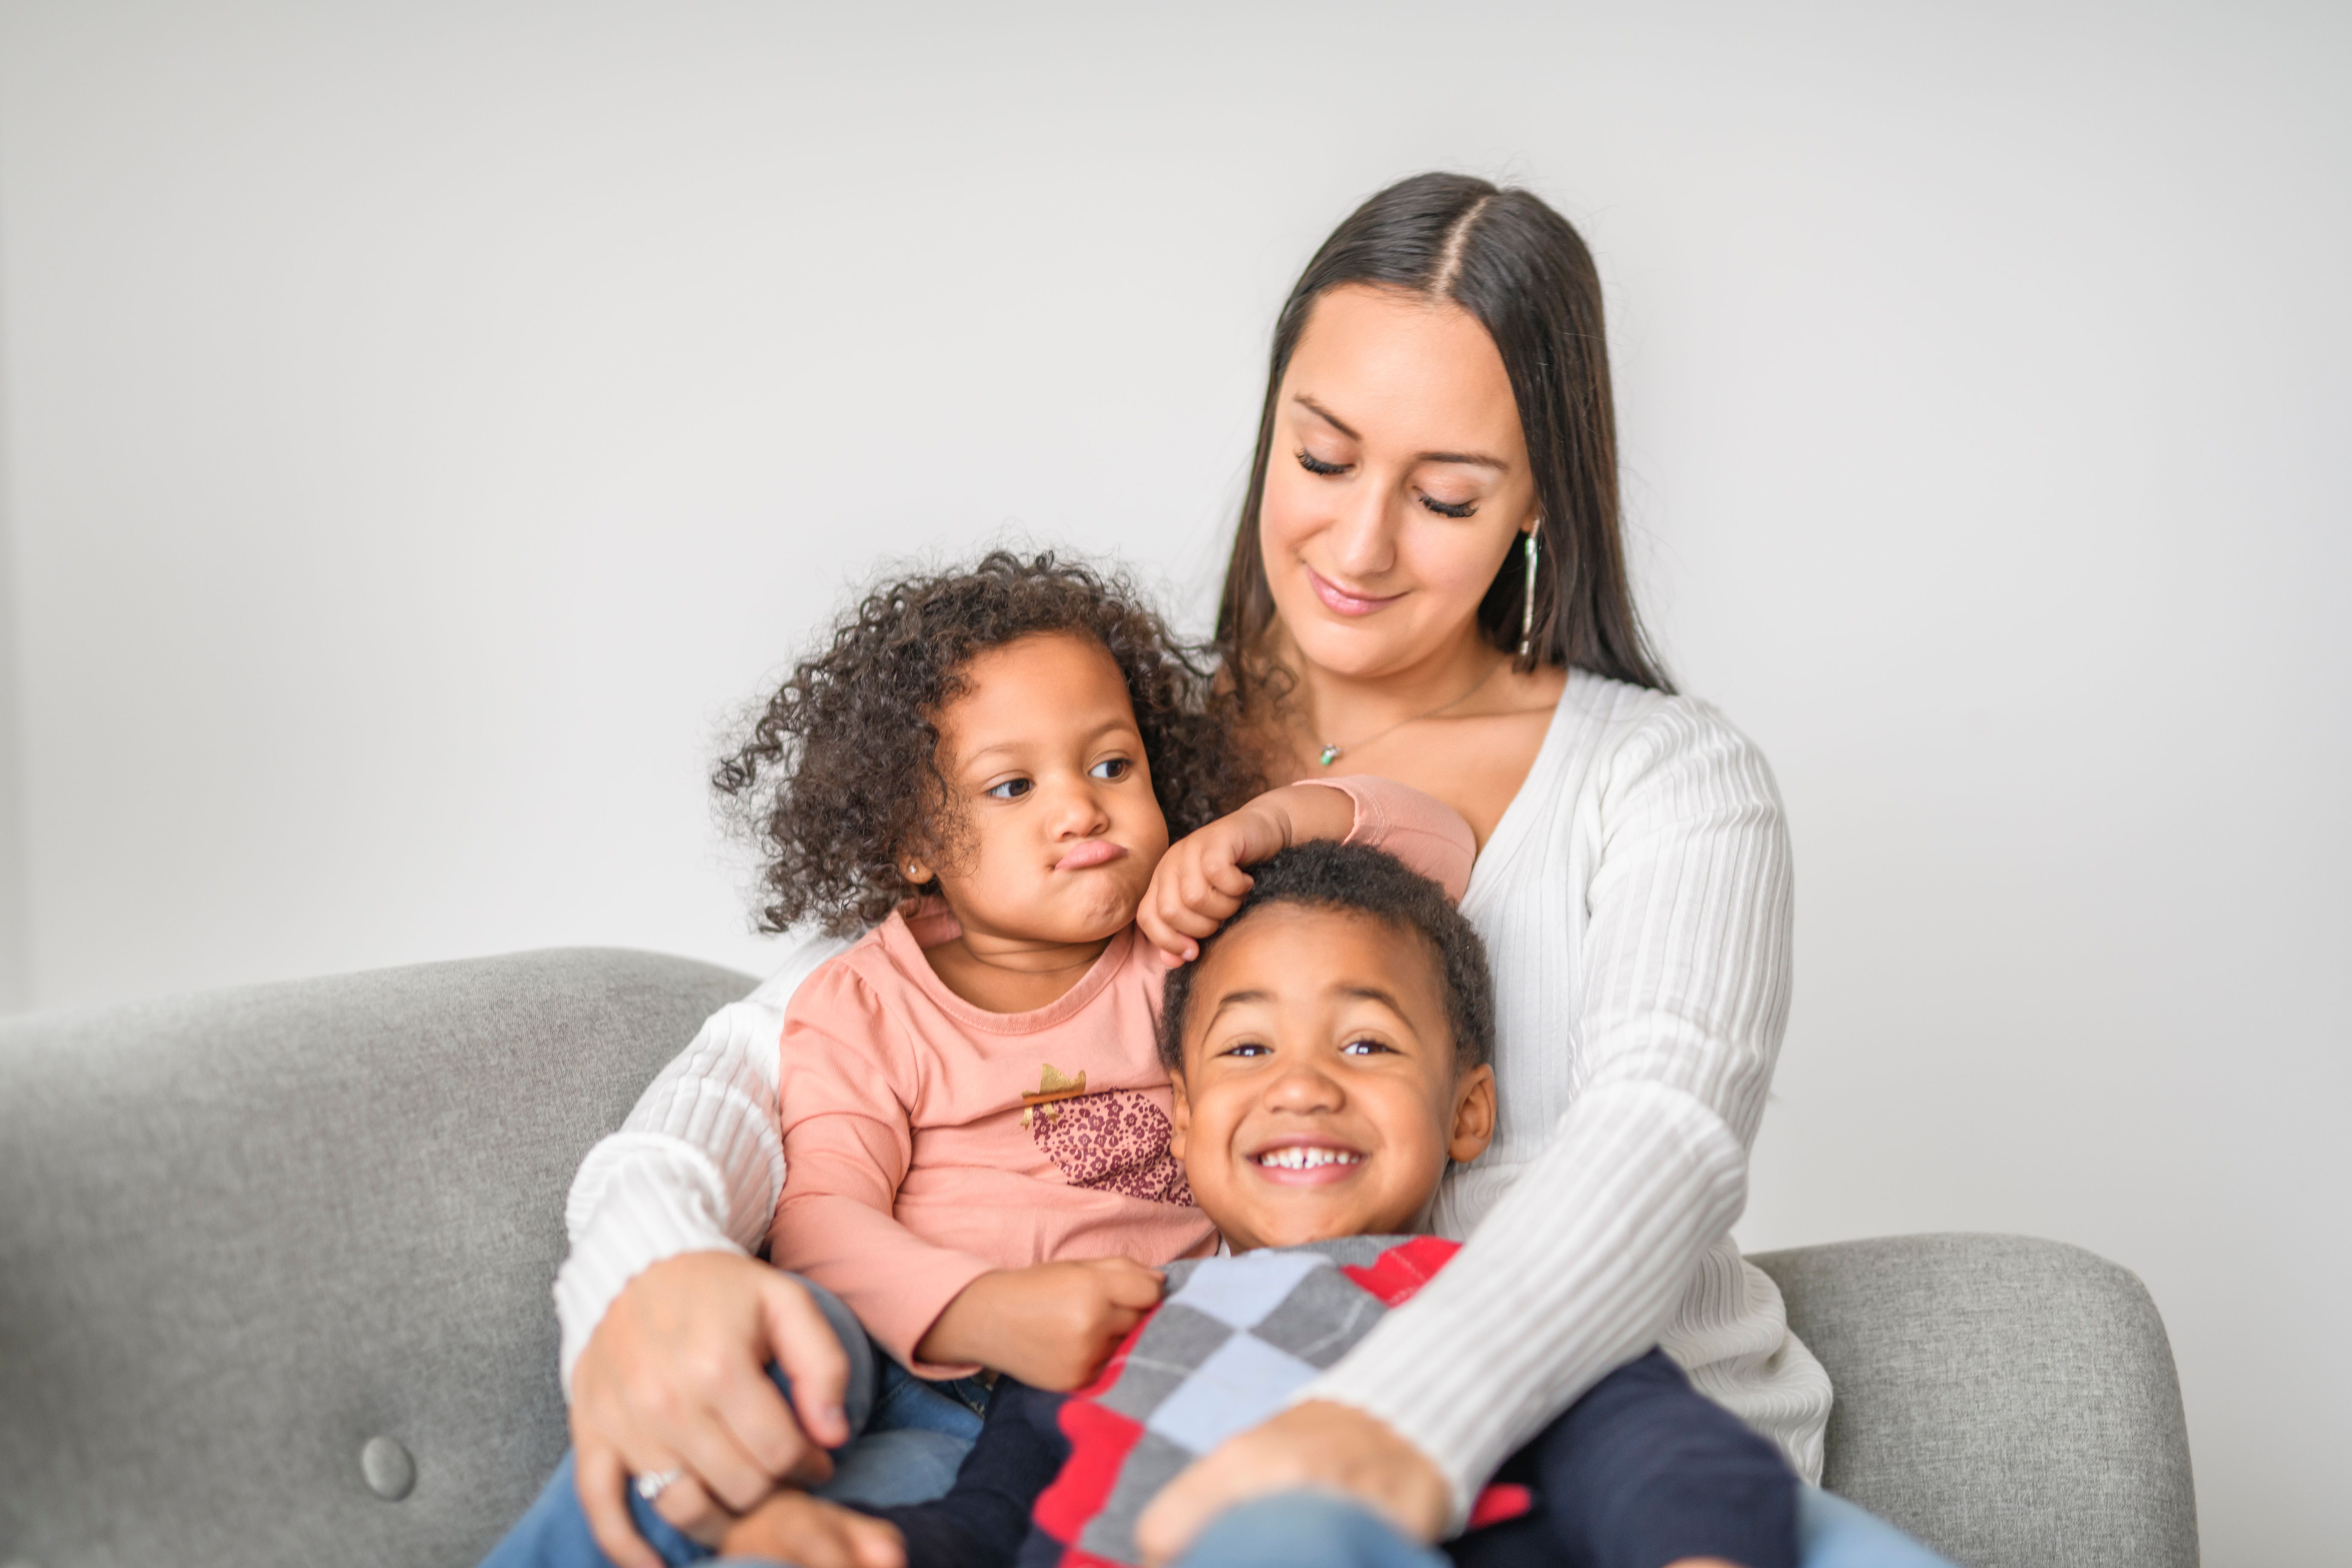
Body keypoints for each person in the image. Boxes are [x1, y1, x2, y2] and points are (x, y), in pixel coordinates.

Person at [555, 171, 1876, 1567]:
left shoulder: (1668, 779)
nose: (1359, 545)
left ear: (1538, 492)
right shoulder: (1129, 744)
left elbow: (1659, 1142)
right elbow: (814, 1032)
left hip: (1613, 1457)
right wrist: (649, 1267)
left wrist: (1392, 1425)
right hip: (1202, 1414)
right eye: (1321, 460)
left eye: (1442, 493)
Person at [485, 552, 1477, 1567]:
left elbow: (1436, 856)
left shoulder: (1191, 947)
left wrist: (1265, 826)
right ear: (916, 838)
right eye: (1013, 785)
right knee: (802, 1377)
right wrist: (982, 1310)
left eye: (1111, 765)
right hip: (919, 1383)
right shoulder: (865, 1004)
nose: (1079, 809)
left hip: (1106, 1397)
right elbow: (821, 1222)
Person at [715, 840, 1827, 1568]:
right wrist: (871, 1549)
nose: (1300, 1083)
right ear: (1184, 1117)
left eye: (1364, 1041)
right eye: (1247, 1046)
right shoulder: (1105, 1328)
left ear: (1468, 1113)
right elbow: (996, 1522)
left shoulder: (1492, 1295)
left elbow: (1663, 1453)